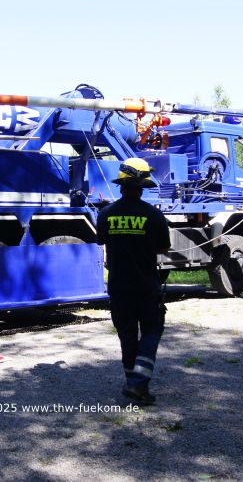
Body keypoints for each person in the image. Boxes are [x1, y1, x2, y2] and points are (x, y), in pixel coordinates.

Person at [96, 158, 171, 405]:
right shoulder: (154, 215)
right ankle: (138, 384)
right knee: (152, 330)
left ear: (121, 186)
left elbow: (102, 241)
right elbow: (163, 247)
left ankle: (134, 384)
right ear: (142, 187)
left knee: (127, 335)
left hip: (119, 287)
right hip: (147, 286)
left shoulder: (106, 214)